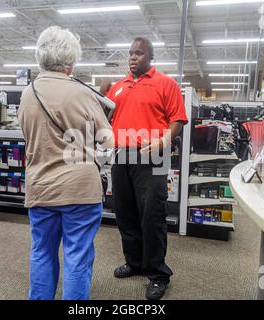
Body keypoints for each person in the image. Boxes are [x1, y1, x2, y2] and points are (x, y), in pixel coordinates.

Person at [18, 26, 114, 300]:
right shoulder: (82, 93)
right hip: (80, 190)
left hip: (41, 187)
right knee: (77, 257)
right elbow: (107, 140)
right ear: (71, 61)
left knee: (42, 253)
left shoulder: (28, 92)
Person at [103, 37, 188, 300]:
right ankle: (135, 262)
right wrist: (101, 92)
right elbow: (103, 116)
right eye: (130, 53)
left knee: (152, 215)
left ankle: (158, 273)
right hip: (121, 156)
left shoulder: (166, 84)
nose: (133, 57)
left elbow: (178, 119)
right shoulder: (118, 87)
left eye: (139, 53)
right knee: (125, 212)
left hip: (152, 156)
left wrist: (163, 140)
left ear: (150, 57)